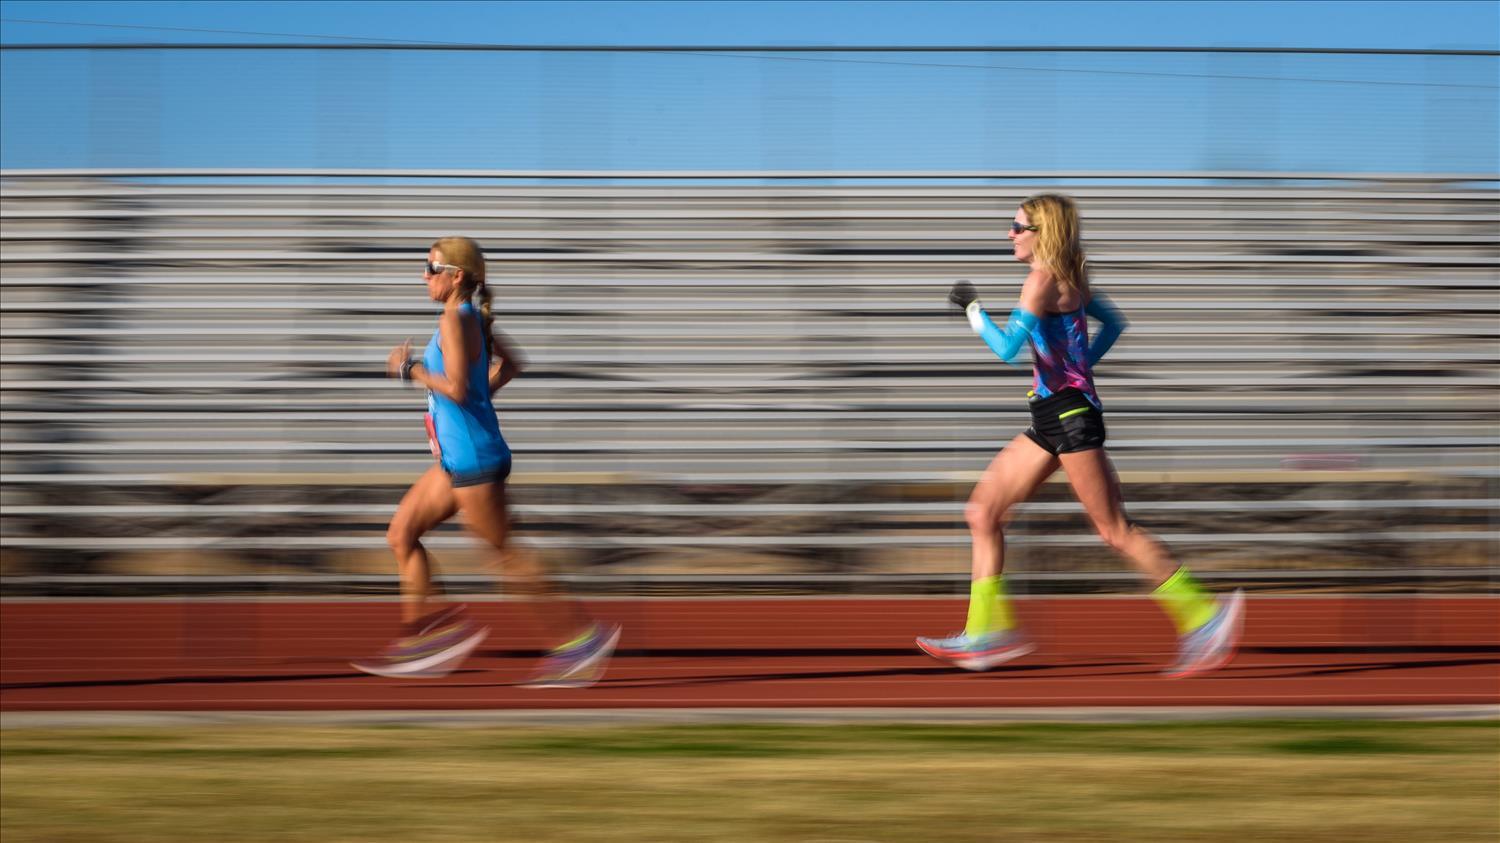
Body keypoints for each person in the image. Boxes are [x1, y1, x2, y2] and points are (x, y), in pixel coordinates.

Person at [917, 194, 1244, 678]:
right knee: (982, 512)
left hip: (1070, 418)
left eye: (1018, 227)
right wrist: (1078, 367)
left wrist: (972, 310)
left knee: (1115, 531)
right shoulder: (1071, 274)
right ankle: (985, 632)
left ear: (1042, 233)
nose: (1010, 234)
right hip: (1053, 415)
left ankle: (1205, 617)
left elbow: (1007, 349)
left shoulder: (1039, 282)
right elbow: (1113, 324)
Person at [352, 236, 620, 688]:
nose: (423, 276)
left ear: (456, 276)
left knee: (505, 558)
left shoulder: (455, 321)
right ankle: (428, 636)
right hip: (456, 459)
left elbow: (457, 388)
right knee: (402, 533)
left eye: (431, 268)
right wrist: (479, 395)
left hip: (474, 461)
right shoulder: (472, 318)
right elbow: (511, 365)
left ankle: (582, 640)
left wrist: (408, 370)